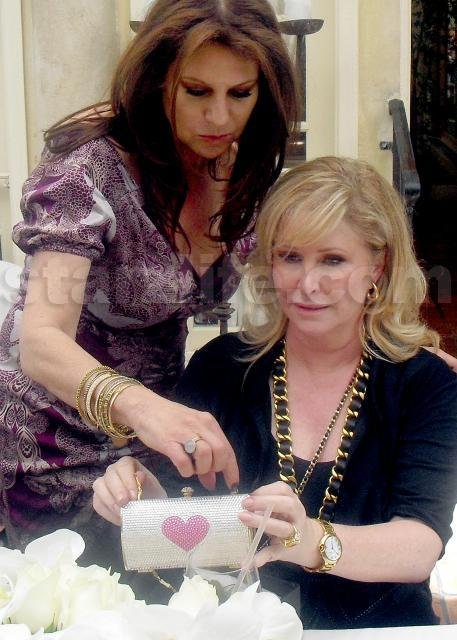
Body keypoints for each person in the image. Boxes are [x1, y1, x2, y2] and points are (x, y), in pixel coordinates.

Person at [93, 157, 457, 628]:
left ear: (378, 265)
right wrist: (137, 498)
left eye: (333, 260)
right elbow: (181, 513)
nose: (307, 284)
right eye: (290, 257)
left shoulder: (425, 382)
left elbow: (419, 546)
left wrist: (309, 540)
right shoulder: (221, 367)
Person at [0, 0, 299, 555]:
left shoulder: (244, 171)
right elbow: (39, 341)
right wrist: (144, 408)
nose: (220, 118)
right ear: (158, 79)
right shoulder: (88, 170)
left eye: (240, 93)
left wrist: (393, 348)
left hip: (153, 443)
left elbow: (307, 279)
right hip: (45, 442)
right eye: (197, 91)